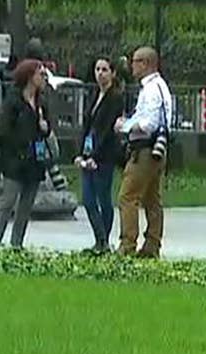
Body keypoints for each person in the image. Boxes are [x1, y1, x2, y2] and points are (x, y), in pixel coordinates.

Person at [114, 46, 172, 259]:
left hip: (145, 150)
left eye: (136, 61)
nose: (132, 65)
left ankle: (127, 244)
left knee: (127, 196)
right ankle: (152, 245)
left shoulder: (150, 89)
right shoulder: (161, 87)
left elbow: (148, 124)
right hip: (157, 149)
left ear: (146, 64)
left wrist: (125, 126)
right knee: (152, 199)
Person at [75, 57, 126, 255]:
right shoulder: (94, 94)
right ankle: (100, 239)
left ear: (112, 73)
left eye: (105, 69)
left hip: (104, 155)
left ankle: (103, 241)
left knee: (103, 197)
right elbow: (87, 126)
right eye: (97, 69)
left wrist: (95, 156)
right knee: (88, 199)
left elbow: (106, 130)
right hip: (88, 151)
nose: (100, 73)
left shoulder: (115, 97)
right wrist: (81, 154)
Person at [0, 59, 52, 249]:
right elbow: (4, 130)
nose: (43, 78)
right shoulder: (13, 100)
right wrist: (19, 146)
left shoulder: (41, 102)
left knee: (26, 206)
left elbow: (47, 127)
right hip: (15, 159)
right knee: (7, 202)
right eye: (41, 74)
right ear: (30, 76)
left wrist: (45, 128)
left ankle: (17, 244)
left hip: (35, 160)